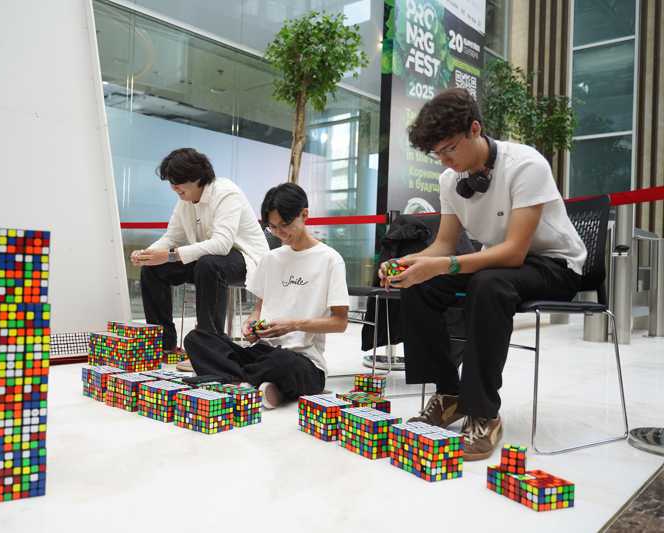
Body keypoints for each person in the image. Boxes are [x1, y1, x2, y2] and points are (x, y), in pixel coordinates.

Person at [380, 88, 586, 461]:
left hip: (554, 264)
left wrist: (443, 265)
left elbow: (514, 252)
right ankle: (449, 394)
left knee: (488, 284)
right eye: (437, 154)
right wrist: (410, 263)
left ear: (475, 128)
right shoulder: (449, 180)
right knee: (420, 284)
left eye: (449, 149)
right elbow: (444, 245)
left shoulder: (526, 165)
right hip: (497, 263)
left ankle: (483, 411)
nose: (445, 161)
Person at [184, 183, 349, 408]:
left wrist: (293, 325)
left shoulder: (330, 259)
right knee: (196, 339)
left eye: (285, 225)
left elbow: (340, 322)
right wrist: (251, 324)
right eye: (272, 227)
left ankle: (233, 380)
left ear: (304, 215)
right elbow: (260, 307)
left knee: (283, 362)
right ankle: (257, 384)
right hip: (261, 352)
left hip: (302, 360)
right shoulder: (271, 259)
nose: (280, 233)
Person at [130, 148, 269, 367]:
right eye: (171, 183)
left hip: (246, 260)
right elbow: (172, 236)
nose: (174, 188)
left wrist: (170, 255)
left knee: (209, 264)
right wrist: (147, 254)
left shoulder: (226, 193)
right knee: (154, 268)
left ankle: (209, 350)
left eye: (178, 182)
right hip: (209, 261)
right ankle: (164, 344)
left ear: (196, 178)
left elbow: (222, 244)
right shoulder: (185, 200)